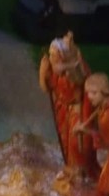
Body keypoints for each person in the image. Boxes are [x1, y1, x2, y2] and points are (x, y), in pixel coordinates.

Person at [38, 31, 98, 180]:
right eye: (50, 55)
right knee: (66, 143)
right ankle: (72, 169)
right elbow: (46, 88)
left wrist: (68, 65)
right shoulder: (53, 71)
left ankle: (81, 172)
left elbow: (81, 79)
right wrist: (42, 72)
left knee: (77, 144)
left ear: (61, 56)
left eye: (54, 55)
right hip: (63, 111)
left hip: (78, 112)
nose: (51, 58)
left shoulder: (74, 69)